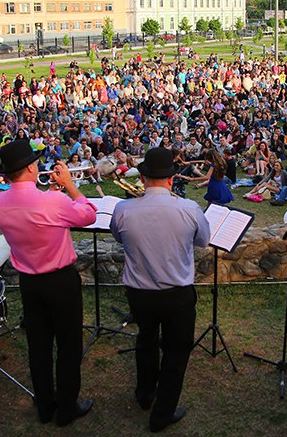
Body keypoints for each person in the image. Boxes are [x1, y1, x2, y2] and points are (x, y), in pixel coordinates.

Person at [0, 140, 97, 427]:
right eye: (35, 162)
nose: (38, 165)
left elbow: (32, 217)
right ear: (28, 167)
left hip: (29, 282)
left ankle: (45, 407)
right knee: (68, 345)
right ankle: (66, 409)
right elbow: (88, 214)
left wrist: (51, 195)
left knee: (39, 347)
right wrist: (70, 186)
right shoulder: (53, 201)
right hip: (60, 281)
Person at [109, 147, 210, 433]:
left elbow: (118, 237)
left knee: (146, 340)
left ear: (142, 178)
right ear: (171, 178)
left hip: (139, 292)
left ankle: (145, 394)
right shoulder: (188, 208)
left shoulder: (123, 209)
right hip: (177, 293)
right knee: (177, 352)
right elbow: (203, 240)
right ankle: (161, 413)